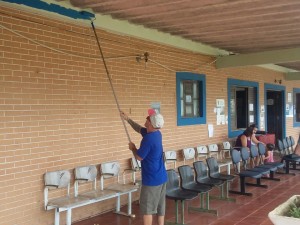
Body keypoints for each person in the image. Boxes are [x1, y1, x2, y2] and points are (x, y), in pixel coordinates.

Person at [120, 109, 167, 225]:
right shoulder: (156, 133)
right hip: (161, 177)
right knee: (161, 207)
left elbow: (139, 157)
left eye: (147, 119)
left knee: (148, 209)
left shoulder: (148, 139)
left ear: (151, 123)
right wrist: (128, 119)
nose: (145, 120)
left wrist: (133, 148)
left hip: (152, 180)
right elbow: (139, 128)